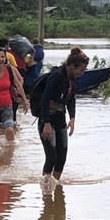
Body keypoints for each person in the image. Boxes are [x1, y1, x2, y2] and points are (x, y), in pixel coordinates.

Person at [38, 46, 89, 187]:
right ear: (72, 66)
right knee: (51, 156)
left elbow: (71, 98)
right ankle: (46, 190)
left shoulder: (71, 79)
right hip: (47, 118)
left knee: (62, 156)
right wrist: (46, 123)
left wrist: (72, 118)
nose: (82, 73)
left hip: (60, 118)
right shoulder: (56, 76)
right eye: (81, 70)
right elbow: (44, 99)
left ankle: (55, 186)